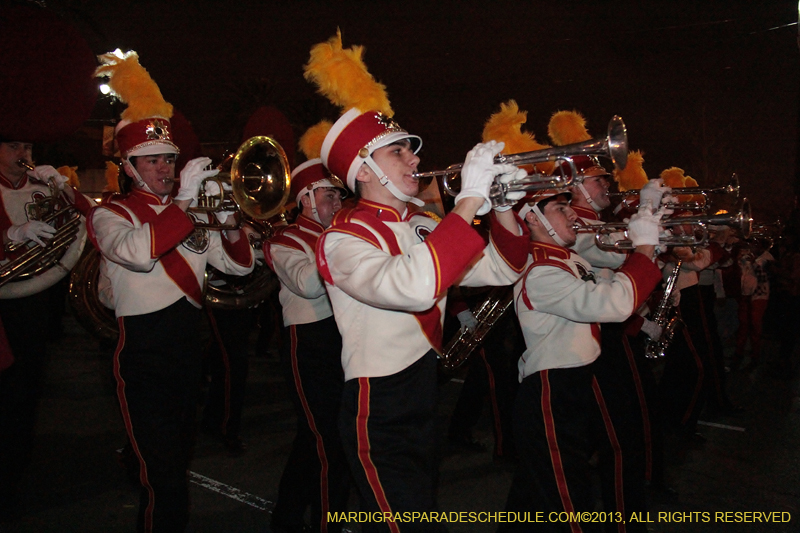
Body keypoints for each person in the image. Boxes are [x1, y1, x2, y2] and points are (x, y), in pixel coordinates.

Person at [313, 103, 529, 527]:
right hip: (377, 401)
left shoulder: (424, 224)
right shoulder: (340, 239)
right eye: (397, 152)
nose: (414, 159)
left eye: (409, 150)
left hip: (424, 389)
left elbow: (505, 267)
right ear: (363, 171)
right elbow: (414, 288)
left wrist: (503, 206)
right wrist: (468, 200)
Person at [90, 50, 256, 530]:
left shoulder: (188, 210)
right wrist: (186, 203)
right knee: (161, 477)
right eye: (153, 160)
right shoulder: (112, 213)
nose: (164, 167)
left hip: (189, 345)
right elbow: (141, 252)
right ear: (129, 166)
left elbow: (239, 268)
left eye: (169, 158)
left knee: (177, 458)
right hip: (143, 348)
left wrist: (227, 225)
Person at [501, 185, 663, 532]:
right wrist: (644, 248)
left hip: (571, 384)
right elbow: (611, 305)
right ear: (533, 218)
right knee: (571, 504)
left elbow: (615, 274)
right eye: (561, 207)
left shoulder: (569, 259)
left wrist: (650, 226)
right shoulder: (541, 270)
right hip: (550, 391)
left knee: (533, 499)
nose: (572, 212)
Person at [0, 139, 93, 521]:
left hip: (32, 299)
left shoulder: (42, 187)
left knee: (24, 394)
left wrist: (64, 188)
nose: (23, 151)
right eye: (12, 144)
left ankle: (10, 480)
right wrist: (11, 235)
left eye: (27, 144)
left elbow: (91, 218)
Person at [265, 158, 350, 533]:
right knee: (330, 445)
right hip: (308, 342)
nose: (336, 201)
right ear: (305, 200)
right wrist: (341, 241)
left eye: (337, 193)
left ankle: (285, 517)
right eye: (327, 194)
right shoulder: (284, 240)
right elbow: (309, 283)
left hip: (344, 338)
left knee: (313, 438)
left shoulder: (338, 235)